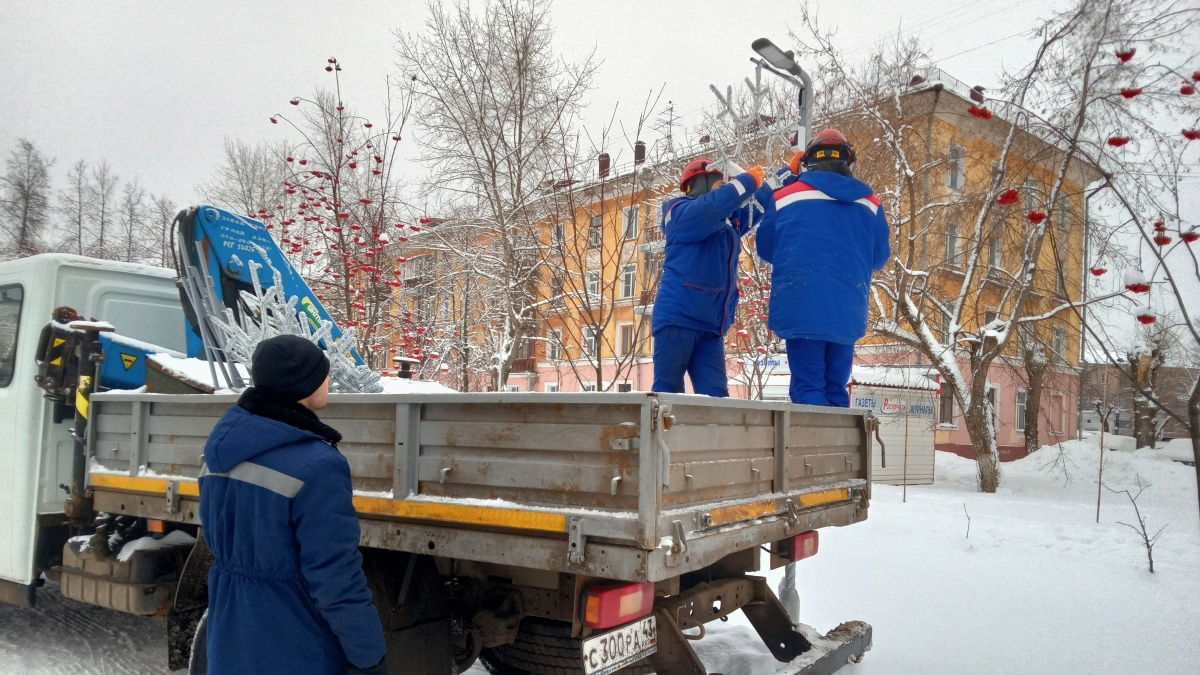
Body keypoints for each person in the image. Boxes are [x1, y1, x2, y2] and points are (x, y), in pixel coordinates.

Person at [199, 334, 387, 675]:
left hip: (230, 632)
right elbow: (335, 575)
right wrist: (368, 655)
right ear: (303, 385)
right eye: (322, 374)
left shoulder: (218, 452)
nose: (328, 381)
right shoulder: (318, 464)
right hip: (295, 640)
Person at [756, 130, 891, 407]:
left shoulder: (784, 197)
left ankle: (811, 448)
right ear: (847, 161)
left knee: (808, 386)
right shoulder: (871, 203)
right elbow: (878, 257)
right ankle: (837, 449)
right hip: (846, 310)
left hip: (801, 305)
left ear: (808, 162)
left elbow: (766, 249)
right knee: (835, 389)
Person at [652, 158, 775, 396]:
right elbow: (710, 208)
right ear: (701, 182)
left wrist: (784, 174)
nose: (725, 188)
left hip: (711, 327)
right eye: (721, 183)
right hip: (678, 322)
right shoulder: (678, 212)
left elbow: (756, 206)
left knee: (716, 401)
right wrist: (748, 181)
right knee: (668, 398)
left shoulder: (727, 223)